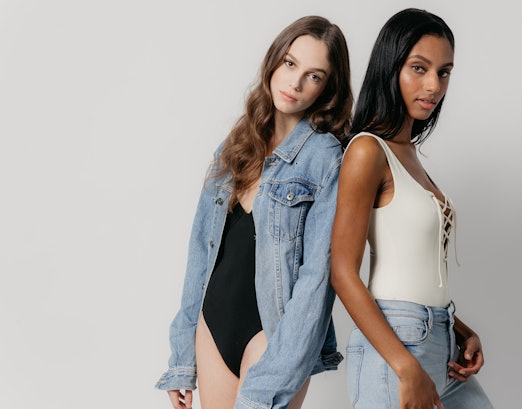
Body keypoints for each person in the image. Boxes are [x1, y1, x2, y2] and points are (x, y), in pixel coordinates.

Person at [156, 16, 353, 409]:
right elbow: (201, 252)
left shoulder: (326, 159)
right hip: (213, 325)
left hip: (275, 334)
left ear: (328, 88)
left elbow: (318, 278)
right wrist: (182, 357)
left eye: (314, 76)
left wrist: (284, 364)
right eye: (290, 64)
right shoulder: (237, 142)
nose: (295, 83)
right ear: (274, 61)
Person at [330, 8, 493, 409]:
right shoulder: (367, 150)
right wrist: (405, 367)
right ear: (391, 66)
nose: (434, 85)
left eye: (444, 72)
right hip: (397, 349)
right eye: (419, 68)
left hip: (442, 343)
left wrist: (460, 330)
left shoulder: (409, 153)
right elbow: (343, 272)